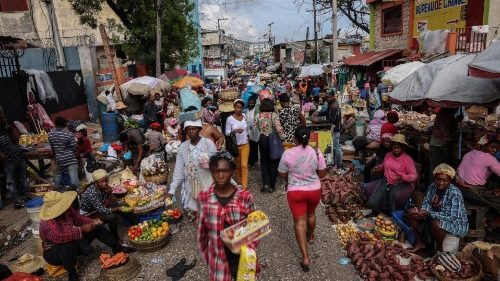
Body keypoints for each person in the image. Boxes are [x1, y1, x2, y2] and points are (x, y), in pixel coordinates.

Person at [40, 191, 133, 281]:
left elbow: (78, 218)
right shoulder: (47, 223)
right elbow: (60, 237)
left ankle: (116, 248)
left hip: (74, 242)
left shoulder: (67, 210)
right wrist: (81, 229)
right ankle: (72, 273)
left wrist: (93, 222)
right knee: (66, 246)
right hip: (55, 253)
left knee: (97, 228)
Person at [197, 151, 257, 281]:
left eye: (225, 171)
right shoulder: (204, 198)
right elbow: (202, 233)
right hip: (217, 260)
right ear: (211, 172)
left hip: (243, 258)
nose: (220, 175)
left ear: (232, 171)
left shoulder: (245, 197)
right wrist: (208, 258)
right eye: (216, 171)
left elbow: (255, 229)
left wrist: (250, 249)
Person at [278, 127, 327, 272]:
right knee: (311, 214)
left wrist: (292, 175)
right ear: (308, 138)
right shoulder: (316, 152)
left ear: (295, 139)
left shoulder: (287, 153)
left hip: (295, 192)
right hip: (314, 190)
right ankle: (311, 236)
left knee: (299, 222)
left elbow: (281, 173)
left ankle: (305, 258)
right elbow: (323, 173)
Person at [407, 164, 468, 252]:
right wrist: (422, 212)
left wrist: (429, 213)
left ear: (450, 181)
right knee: (411, 212)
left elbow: (452, 217)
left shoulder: (455, 193)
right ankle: (420, 243)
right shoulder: (433, 186)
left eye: (444, 180)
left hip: (455, 223)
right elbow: (426, 202)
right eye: (438, 179)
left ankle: (439, 250)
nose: (440, 182)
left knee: (437, 224)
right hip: (434, 216)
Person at [168, 119, 217, 220]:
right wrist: (172, 190)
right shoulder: (183, 147)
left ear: (199, 129)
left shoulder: (208, 144)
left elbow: (217, 165)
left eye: (193, 129)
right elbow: (179, 170)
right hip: (191, 185)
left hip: (208, 184)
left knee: (210, 213)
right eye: (188, 129)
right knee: (197, 212)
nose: (191, 131)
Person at [80, 169, 136, 243]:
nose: (104, 183)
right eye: (101, 182)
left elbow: (113, 201)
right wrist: (117, 208)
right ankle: (116, 239)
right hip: (90, 214)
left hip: (100, 208)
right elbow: (102, 210)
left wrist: (110, 193)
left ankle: (136, 226)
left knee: (125, 204)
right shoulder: (92, 193)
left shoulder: (105, 187)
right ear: (96, 183)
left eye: (106, 180)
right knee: (112, 217)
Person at [365, 134, 418, 212]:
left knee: (397, 196)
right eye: (394, 147)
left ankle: (396, 212)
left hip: (402, 183)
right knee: (368, 188)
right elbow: (383, 166)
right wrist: (377, 168)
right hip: (387, 181)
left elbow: (414, 175)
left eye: (398, 148)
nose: (396, 150)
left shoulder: (407, 159)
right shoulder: (388, 155)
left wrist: (403, 177)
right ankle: (379, 209)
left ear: (403, 148)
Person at [456, 141, 500, 212]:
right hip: (471, 192)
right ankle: (493, 221)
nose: (494, 150)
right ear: (483, 145)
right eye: (492, 147)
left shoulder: (469, 153)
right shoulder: (490, 158)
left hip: (458, 188)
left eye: (497, 149)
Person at [256, 98, 284, 193]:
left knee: (264, 162)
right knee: (273, 162)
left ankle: (265, 183)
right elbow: (279, 128)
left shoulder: (258, 115)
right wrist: (283, 137)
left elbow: (254, 127)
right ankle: (272, 186)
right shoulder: (273, 115)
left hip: (262, 139)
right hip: (272, 140)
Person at [0, 116, 28, 209]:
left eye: (4, 119)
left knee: (23, 179)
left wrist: (12, 131)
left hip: (19, 157)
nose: (4, 120)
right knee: (11, 182)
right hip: (9, 162)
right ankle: (17, 201)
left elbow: (18, 140)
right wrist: (2, 155)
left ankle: (25, 196)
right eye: (1, 119)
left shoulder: (9, 129)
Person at [429, 107, 461, 183]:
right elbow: (445, 133)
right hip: (438, 145)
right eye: (455, 108)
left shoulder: (449, 114)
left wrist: (457, 120)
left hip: (441, 144)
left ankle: (440, 186)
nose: (456, 110)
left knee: (441, 167)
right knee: (436, 168)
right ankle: (432, 187)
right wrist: (452, 140)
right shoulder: (444, 114)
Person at [48, 117, 80, 191]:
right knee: (74, 178)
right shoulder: (69, 134)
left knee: (58, 175)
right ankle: (77, 194)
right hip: (70, 159)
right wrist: (78, 160)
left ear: (55, 124)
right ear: (65, 124)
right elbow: (75, 149)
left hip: (59, 160)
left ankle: (56, 192)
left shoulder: (50, 134)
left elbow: (53, 149)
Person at [225, 99, 249, 189]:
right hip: (235, 145)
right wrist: (234, 131)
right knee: (238, 165)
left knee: (244, 165)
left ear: (243, 108)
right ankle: (240, 180)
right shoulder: (229, 119)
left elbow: (246, 128)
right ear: (234, 107)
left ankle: (245, 185)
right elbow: (227, 133)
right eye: (237, 107)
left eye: (240, 108)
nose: (239, 109)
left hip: (245, 144)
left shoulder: (244, 116)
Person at [326, 93, 342, 169]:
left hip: (336, 129)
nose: (327, 99)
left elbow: (331, 120)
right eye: (326, 98)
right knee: (335, 147)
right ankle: (336, 163)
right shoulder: (333, 103)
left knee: (337, 147)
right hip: (336, 128)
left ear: (332, 97)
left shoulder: (334, 106)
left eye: (328, 98)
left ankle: (339, 164)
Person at [245, 96, 260, 167]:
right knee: (249, 146)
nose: (251, 104)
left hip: (254, 131)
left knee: (255, 146)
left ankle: (255, 160)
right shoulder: (246, 110)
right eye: (250, 103)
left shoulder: (256, 110)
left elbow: (256, 120)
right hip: (247, 131)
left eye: (252, 103)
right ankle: (251, 161)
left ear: (254, 104)